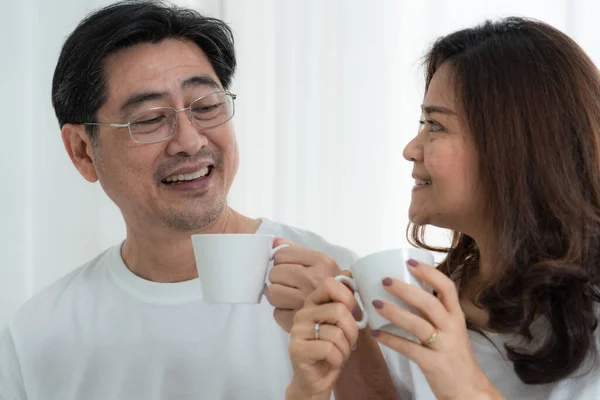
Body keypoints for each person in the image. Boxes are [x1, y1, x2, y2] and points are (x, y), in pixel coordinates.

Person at [0, 1, 384, 399]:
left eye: (206, 107)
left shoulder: (338, 282)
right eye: (149, 119)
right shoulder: (38, 335)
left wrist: (353, 346)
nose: (190, 141)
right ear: (82, 150)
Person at [286, 17, 600, 400]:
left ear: (513, 147)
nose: (410, 150)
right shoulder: (425, 301)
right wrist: (336, 362)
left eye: (435, 125)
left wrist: (464, 383)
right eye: (423, 122)